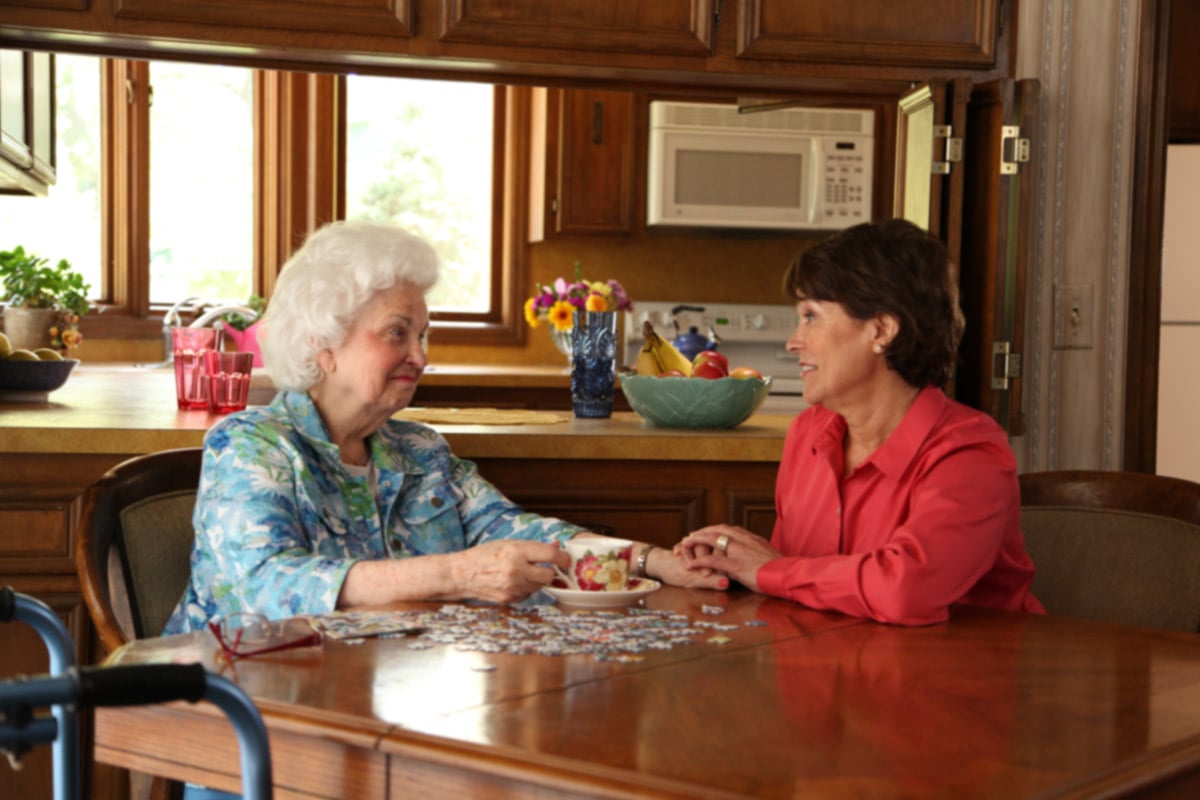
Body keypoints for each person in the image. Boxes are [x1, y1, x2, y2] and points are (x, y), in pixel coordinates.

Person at [165, 220, 719, 638]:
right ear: (322, 343)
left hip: (379, 705)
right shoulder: (248, 447)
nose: (420, 357)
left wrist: (653, 560)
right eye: (397, 333)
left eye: (424, 335)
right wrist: (457, 575)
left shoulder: (420, 452)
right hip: (244, 721)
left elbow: (514, 530)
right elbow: (266, 586)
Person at [677, 218, 1045, 626]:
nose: (793, 341)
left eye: (811, 316)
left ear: (881, 330)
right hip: (833, 672)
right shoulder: (808, 433)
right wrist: (721, 563)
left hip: (955, 678)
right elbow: (791, 591)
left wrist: (765, 569)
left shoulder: (971, 453)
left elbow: (904, 590)